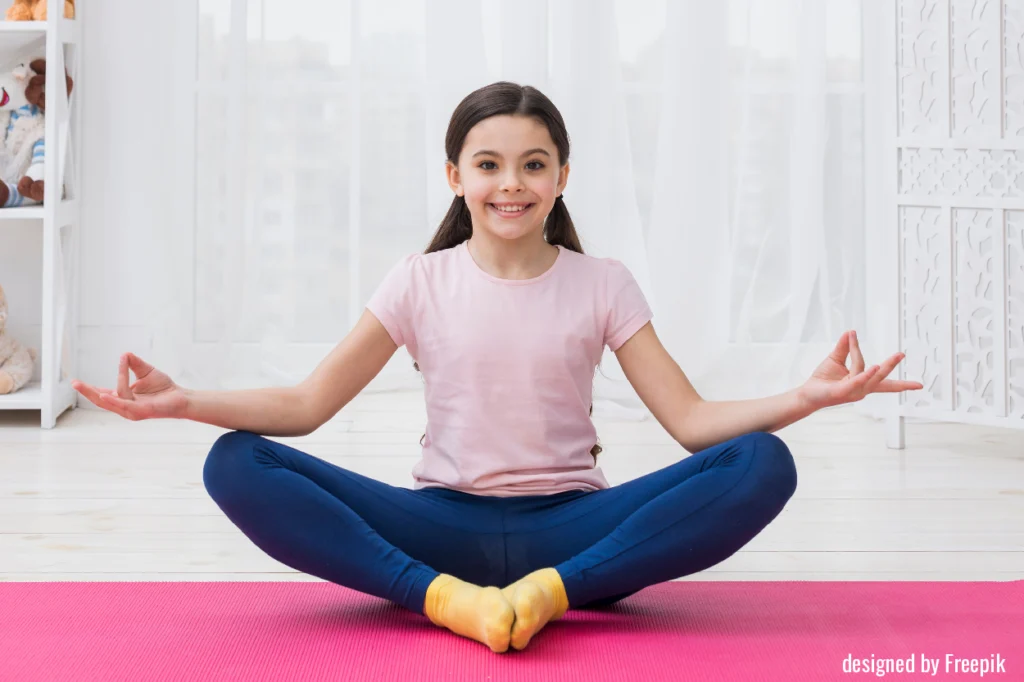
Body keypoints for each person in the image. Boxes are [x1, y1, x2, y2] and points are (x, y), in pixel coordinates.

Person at [72, 81, 923, 655]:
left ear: (560, 178)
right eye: (488, 165)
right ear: (455, 177)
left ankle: (554, 593)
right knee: (235, 459)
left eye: (532, 165)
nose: (509, 184)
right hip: (439, 527)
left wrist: (805, 398)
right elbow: (304, 405)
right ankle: (448, 600)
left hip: (576, 531)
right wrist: (184, 402)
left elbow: (692, 424)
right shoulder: (418, 280)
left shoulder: (603, 283)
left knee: (764, 461)